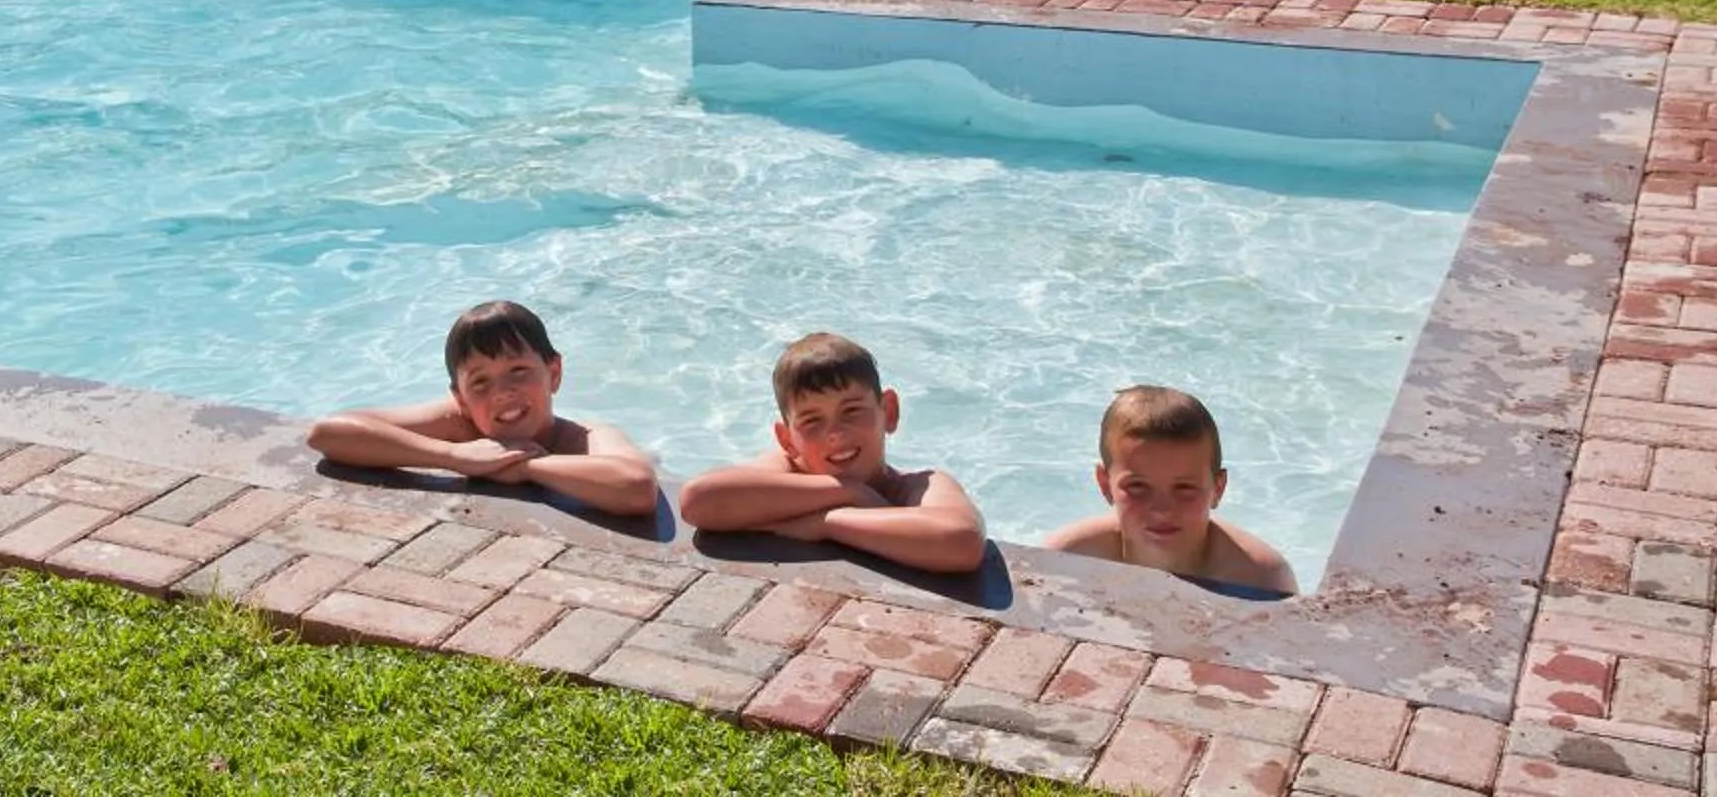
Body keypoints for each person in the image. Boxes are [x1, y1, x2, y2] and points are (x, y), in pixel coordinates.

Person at [304, 300, 660, 518]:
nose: (503, 392)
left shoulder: (584, 438)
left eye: (518, 371)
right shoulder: (460, 425)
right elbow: (329, 433)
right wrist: (454, 456)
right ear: (460, 397)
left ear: (554, 373)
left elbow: (637, 489)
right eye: (480, 382)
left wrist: (526, 467)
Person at [674, 331, 986, 574]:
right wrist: (848, 490)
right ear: (787, 439)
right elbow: (698, 501)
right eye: (811, 421)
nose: (835, 434)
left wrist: (825, 524)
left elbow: (963, 542)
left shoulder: (917, 486)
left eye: (851, 410)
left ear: (888, 412)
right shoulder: (785, 469)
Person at [1039, 385, 1296, 596]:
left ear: (1218, 488)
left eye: (1184, 487)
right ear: (1105, 485)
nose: (1162, 509)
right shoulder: (1067, 558)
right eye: (1137, 487)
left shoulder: (1261, 579)